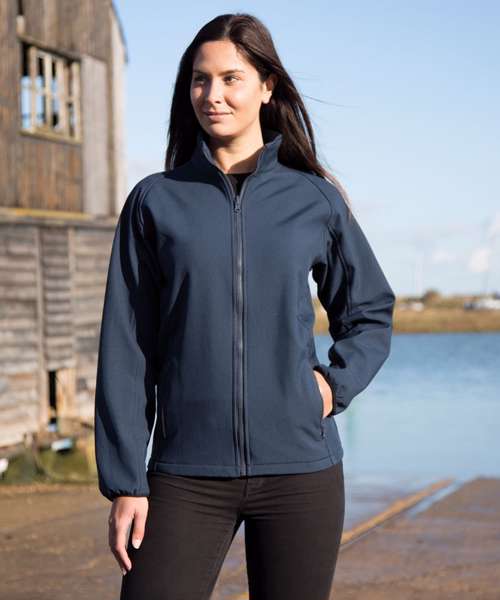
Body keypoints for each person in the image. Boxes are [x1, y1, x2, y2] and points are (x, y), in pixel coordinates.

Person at [94, 12, 396, 600]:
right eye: (200, 79)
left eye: (231, 78)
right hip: (185, 473)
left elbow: (369, 311)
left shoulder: (313, 199)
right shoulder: (155, 202)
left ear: (266, 87)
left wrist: (331, 387)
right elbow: (127, 346)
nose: (213, 95)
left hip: (301, 472)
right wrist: (126, 479)